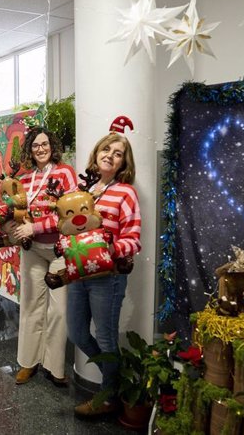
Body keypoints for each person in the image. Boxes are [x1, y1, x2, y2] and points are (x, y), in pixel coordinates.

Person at [68, 131, 141, 418]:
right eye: (106, 149)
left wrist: (108, 246)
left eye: (118, 152)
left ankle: (108, 397)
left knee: (107, 338)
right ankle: (119, 384)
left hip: (107, 278)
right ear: (97, 153)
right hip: (79, 275)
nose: (110, 154)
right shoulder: (84, 190)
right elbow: (65, 224)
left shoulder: (126, 192)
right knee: (76, 333)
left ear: (123, 163)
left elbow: (134, 240)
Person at [10, 127, 77, 387]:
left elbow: (70, 214)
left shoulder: (65, 172)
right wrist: (16, 226)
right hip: (33, 250)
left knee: (59, 310)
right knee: (30, 306)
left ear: (52, 146)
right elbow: (19, 212)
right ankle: (29, 362)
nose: (40, 149)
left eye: (44, 144)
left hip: (59, 251)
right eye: (35, 145)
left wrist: (35, 227)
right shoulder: (25, 180)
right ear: (30, 149)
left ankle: (54, 366)